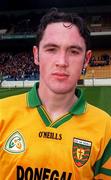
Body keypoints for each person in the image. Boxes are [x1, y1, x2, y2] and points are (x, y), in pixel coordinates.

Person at [0, 8, 111, 180]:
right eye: (52, 49)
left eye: (74, 51)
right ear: (36, 55)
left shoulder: (106, 128)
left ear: (86, 59)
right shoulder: (2, 113)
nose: (62, 62)